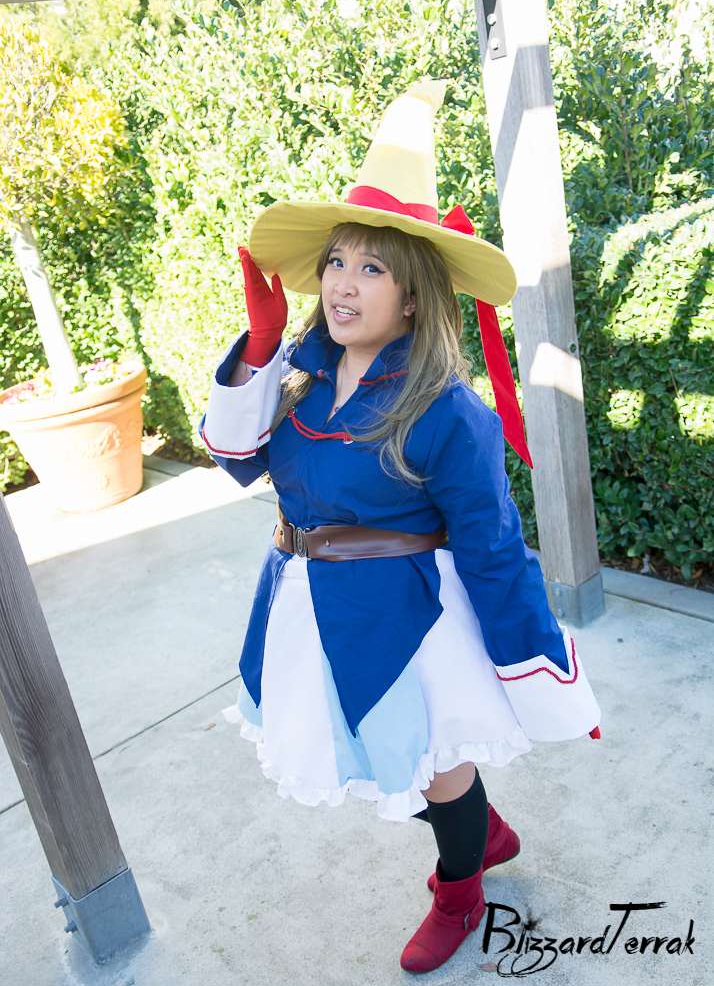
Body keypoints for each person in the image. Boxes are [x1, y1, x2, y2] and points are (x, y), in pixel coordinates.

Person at [200, 80, 600, 973]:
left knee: (429, 767)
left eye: (373, 269)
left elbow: (493, 547)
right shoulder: (302, 375)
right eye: (338, 261)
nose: (343, 283)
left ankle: (461, 888)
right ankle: (482, 834)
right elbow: (236, 459)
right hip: (302, 599)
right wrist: (260, 345)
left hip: (404, 615)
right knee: (368, 755)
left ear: (413, 296)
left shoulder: (449, 411)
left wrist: (536, 665)